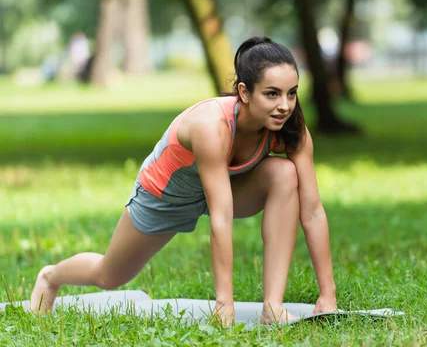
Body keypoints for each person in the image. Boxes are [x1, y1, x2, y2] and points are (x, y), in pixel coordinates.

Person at [29, 36, 337, 325]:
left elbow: (312, 211)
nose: (285, 105)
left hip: (228, 187)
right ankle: (51, 276)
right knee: (109, 276)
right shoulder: (211, 126)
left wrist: (328, 295)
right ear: (244, 92)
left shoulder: (291, 130)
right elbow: (221, 219)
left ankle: (272, 306)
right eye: (272, 93)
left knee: (285, 174)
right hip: (165, 196)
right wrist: (223, 304)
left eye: (291, 93)